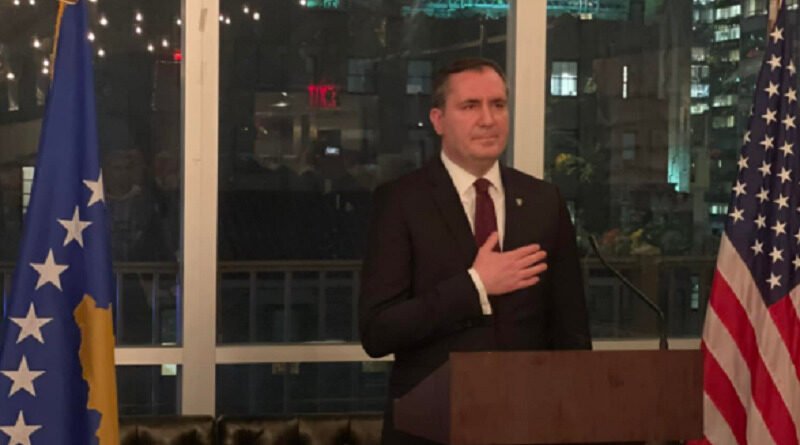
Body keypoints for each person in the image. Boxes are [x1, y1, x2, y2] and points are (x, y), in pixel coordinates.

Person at [359, 58, 592, 444]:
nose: (488, 119)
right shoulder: (401, 202)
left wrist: (571, 420)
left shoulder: (543, 201)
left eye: (498, 105)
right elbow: (378, 332)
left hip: (528, 425)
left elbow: (571, 331)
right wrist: (474, 286)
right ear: (438, 120)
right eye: (470, 106)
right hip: (432, 427)